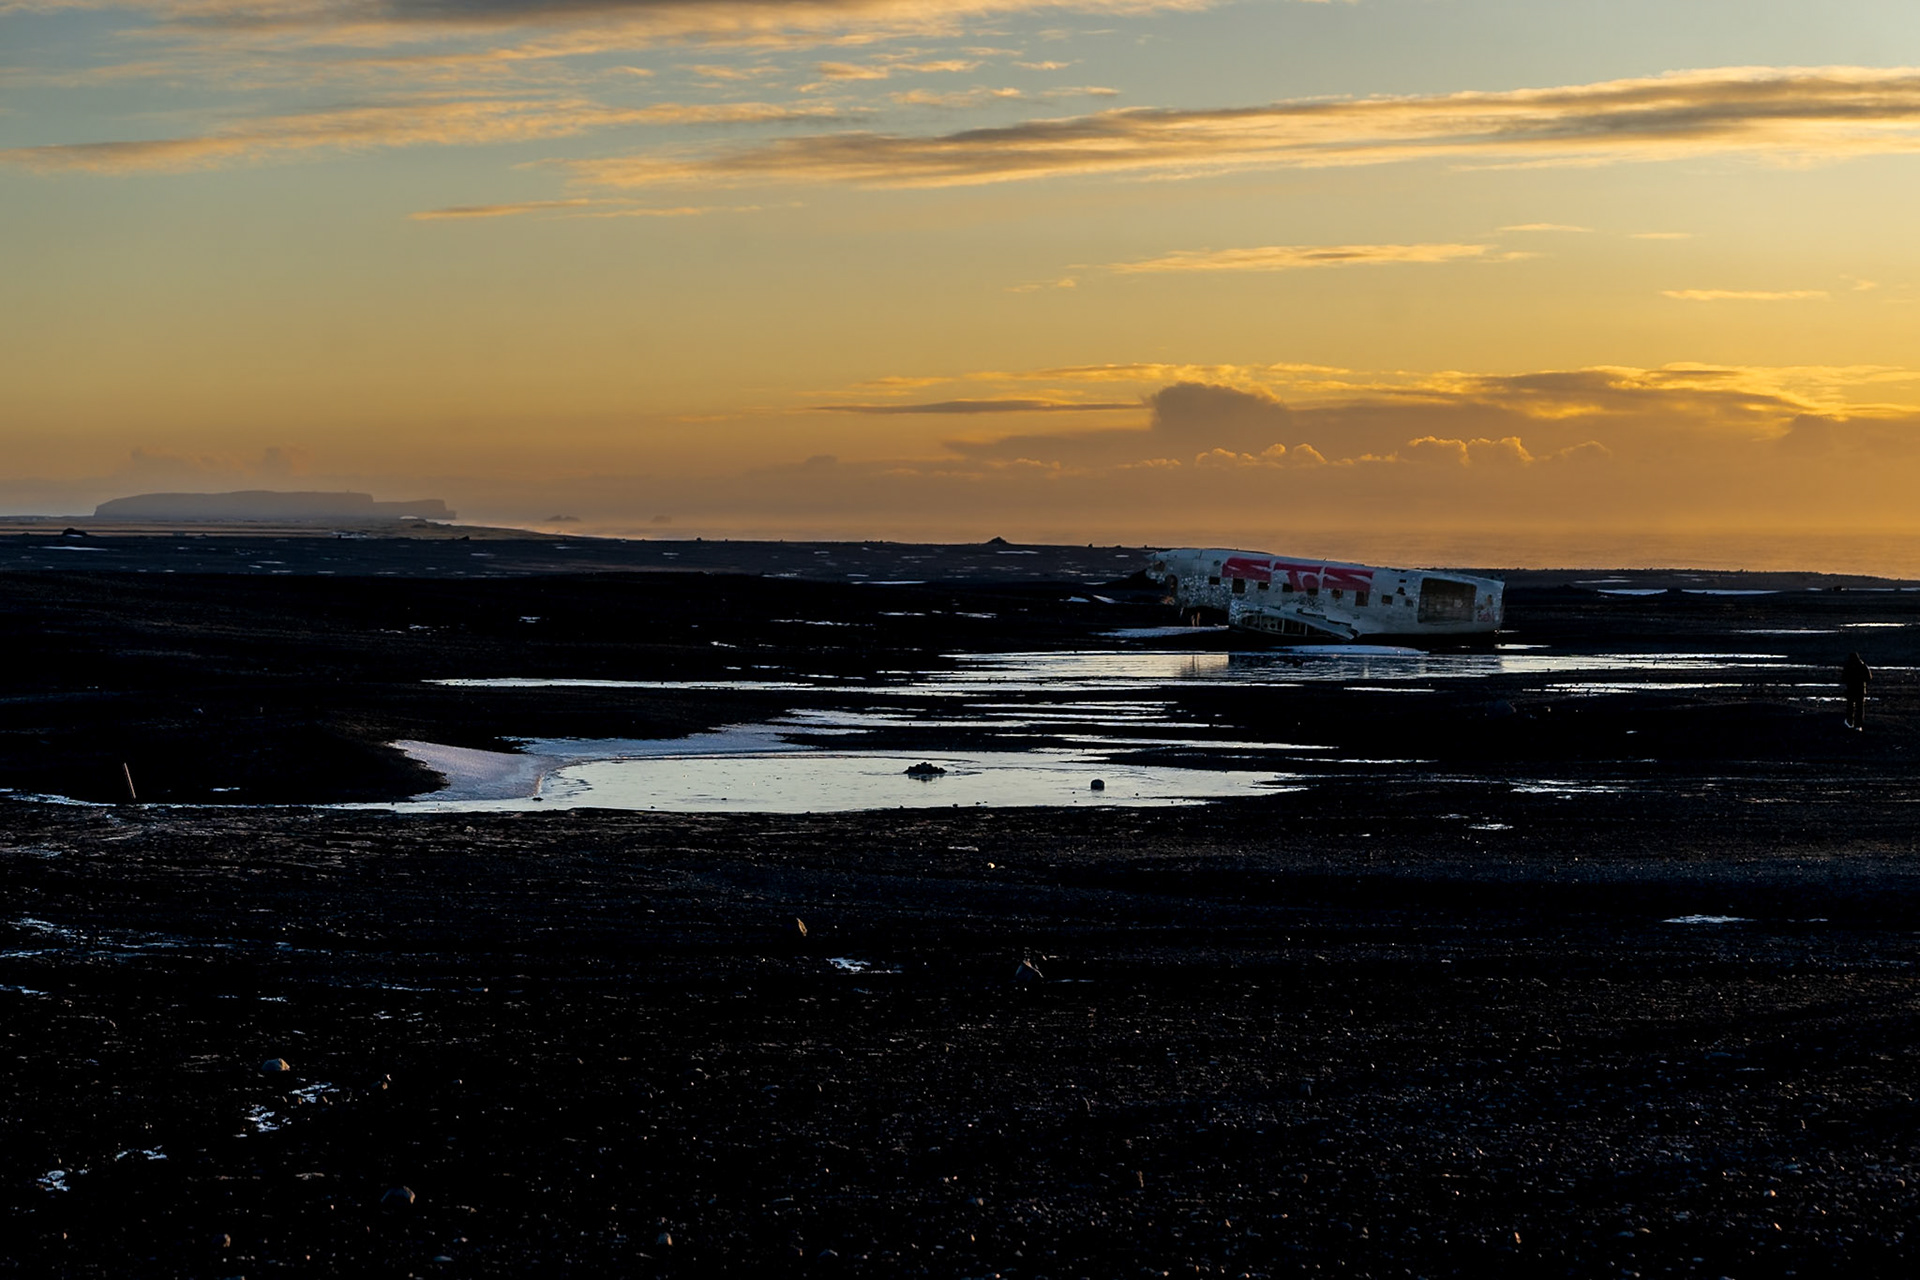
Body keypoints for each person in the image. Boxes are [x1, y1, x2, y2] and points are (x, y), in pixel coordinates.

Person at [1843, 651, 1870, 730]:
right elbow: (1868, 677)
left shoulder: (1848, 666)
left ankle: (1849, 722)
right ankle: (1858, 725)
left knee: (1850, 707)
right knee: (1859, 708)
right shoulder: (1862, 665)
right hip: (1860, 690)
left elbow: (1843, 678)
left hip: (1851, 689)